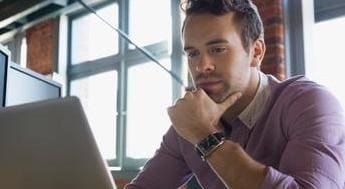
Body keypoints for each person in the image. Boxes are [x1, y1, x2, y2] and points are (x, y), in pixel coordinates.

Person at [125, 0, 345, 188]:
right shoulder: (190, 124)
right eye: (193, 54)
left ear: (256, 52)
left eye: (217, 49)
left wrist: (206, 137)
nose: (202, 66)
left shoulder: (310, 103)